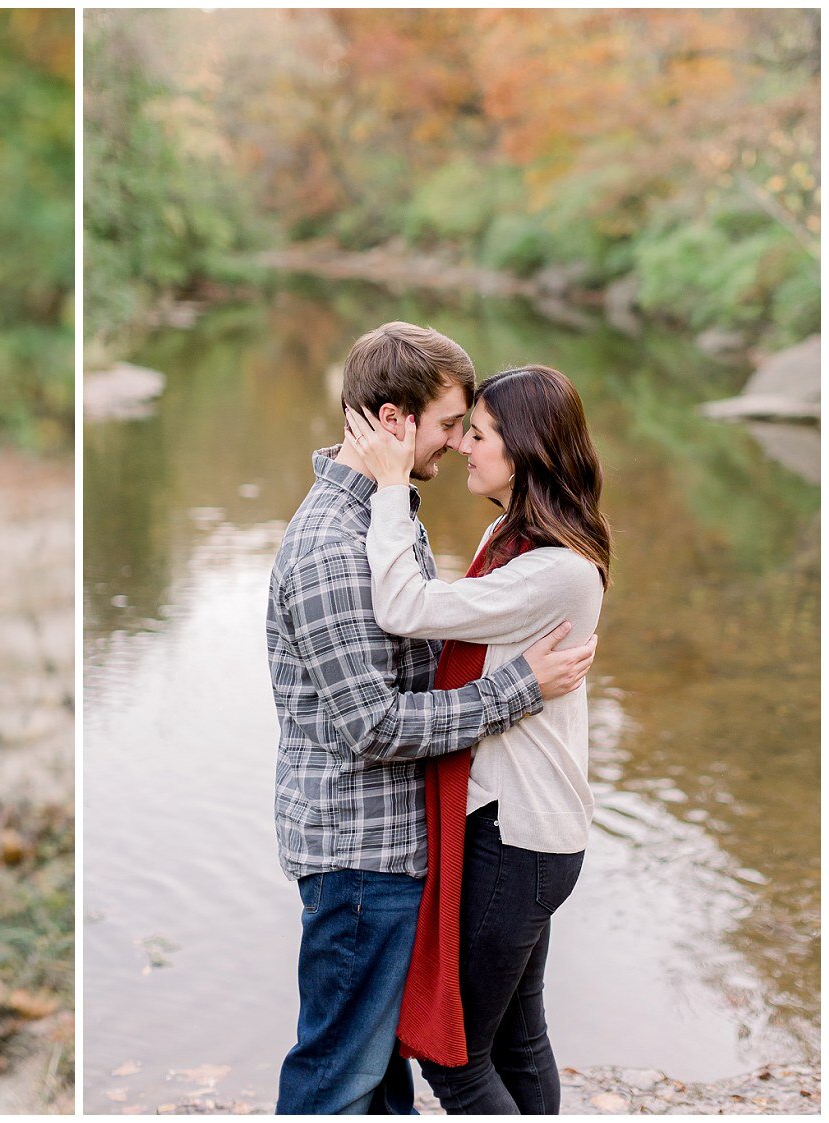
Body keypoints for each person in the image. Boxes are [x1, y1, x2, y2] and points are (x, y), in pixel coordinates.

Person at [267, 322, 598, 1115]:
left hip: (406, 846)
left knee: (380, 1078)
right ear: (393, 421)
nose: (456, 445)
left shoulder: (391, 518)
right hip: (359, 855)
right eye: (453, 425)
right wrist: (519, 686)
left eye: (470, 430)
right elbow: (375, 725)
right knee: (337, 1078)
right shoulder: (332, 548)